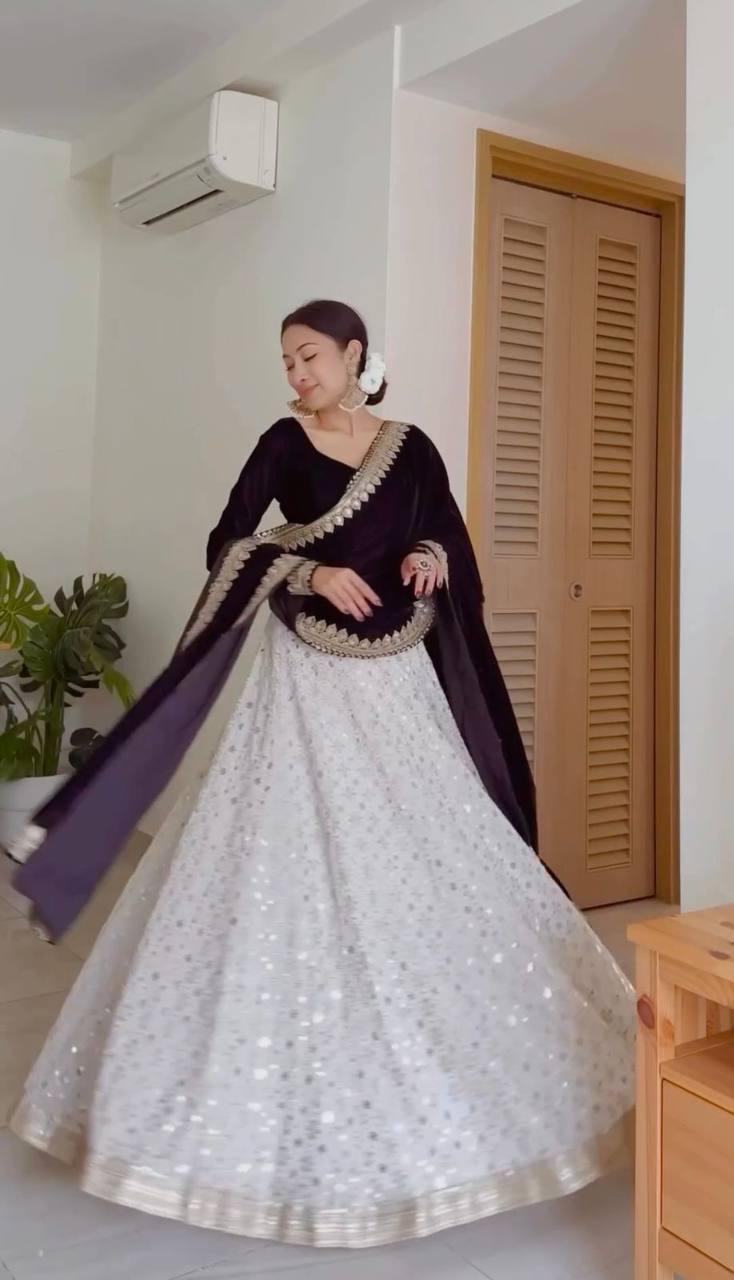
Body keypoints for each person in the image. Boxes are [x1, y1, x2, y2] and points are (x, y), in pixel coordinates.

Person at [8, 300, 634, 1249]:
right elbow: (228, 543)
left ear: (353, 355)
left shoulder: (410, 448)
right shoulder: (282, 444)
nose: (299, 374)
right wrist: (306, 574)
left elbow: (445, 534)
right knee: (283, 856)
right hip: (305, 678)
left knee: (427, 848)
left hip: (397, 677)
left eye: (310, 357)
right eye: (288, 362)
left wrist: (428, 556)